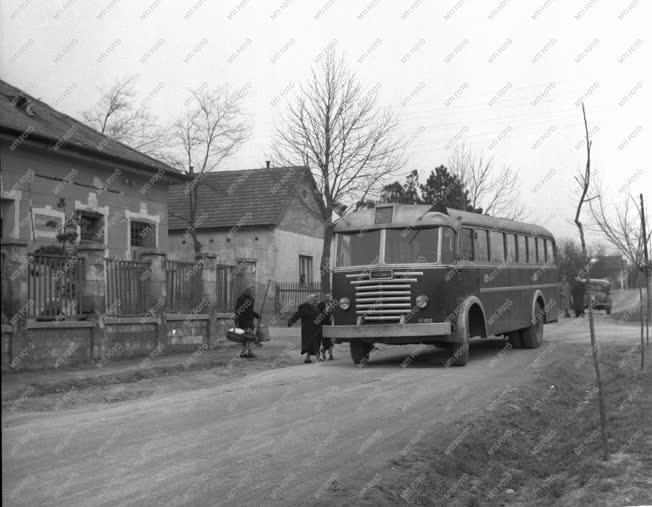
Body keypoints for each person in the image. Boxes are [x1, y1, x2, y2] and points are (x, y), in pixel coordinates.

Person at [288, 294, 321, 363]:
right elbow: (297, 315)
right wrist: (291, 321)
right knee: (314, 342)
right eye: (314, 300)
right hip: (307, 329)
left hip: (316, 328)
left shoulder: (316, 307)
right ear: (309, 300)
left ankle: (307, 359)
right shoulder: (304, 307)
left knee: (311, 343)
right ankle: (318, 358)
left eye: (316, 300)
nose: (315, 302)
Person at [235, 286, 260, 358]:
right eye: (251, 291)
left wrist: (257, 315)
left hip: (249, 321)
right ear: (247, 292)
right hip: (244, 322)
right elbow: (238, 310)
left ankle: (243, 352)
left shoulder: (251, 299)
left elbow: (250, 311)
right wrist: (239, 320)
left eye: (252, 292)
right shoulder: (241, 299)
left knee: (247, 337)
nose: (252, 293)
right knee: (248, 337)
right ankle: (249, 352)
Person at [317, 293, 335, 360]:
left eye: (329, 297)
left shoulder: (332, 304)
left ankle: (330, 355)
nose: (328, 299)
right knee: (324, 340)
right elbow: (318, 314)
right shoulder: (320, 304)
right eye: (326, 297)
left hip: (330, 325)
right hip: (323, 325)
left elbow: (334, 312)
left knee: (330, 340)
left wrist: (332, 315)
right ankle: (324, 352)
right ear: (324, 298)